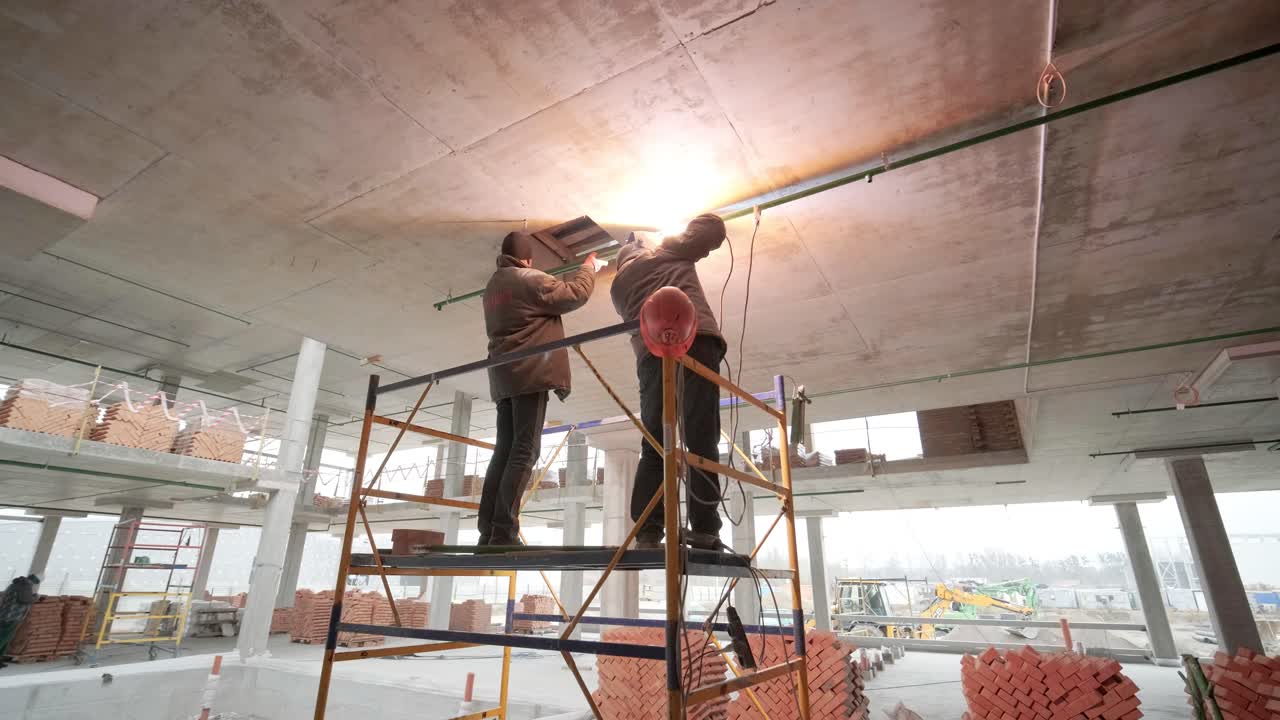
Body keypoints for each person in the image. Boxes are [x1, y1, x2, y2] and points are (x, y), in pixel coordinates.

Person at [610, 214, 729, 550]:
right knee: (701, 440)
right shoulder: (665, 253)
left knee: (655, 444)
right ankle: (705, 530)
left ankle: (648, 530)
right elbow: (711, 230)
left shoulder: (618, 287)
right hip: (695, 341)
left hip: (651, 357)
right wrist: (673, 237)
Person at [478, 232, 598, 546]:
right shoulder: (529, 279)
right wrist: (589, 267)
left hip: (503, 376)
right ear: (528, 259)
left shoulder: (492, 287)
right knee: (524, 450)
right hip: (528, 372)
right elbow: (574, 295)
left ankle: (487, 530)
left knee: (505, 450)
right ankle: (504, 531)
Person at [0, 574, 40, 667]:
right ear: (32, 582)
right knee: (3, 638)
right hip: (12, 616)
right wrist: (35, 597)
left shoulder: (15, 584)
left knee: (5, 638)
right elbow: (25, 599)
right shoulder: (25, 586)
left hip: (4, 614)